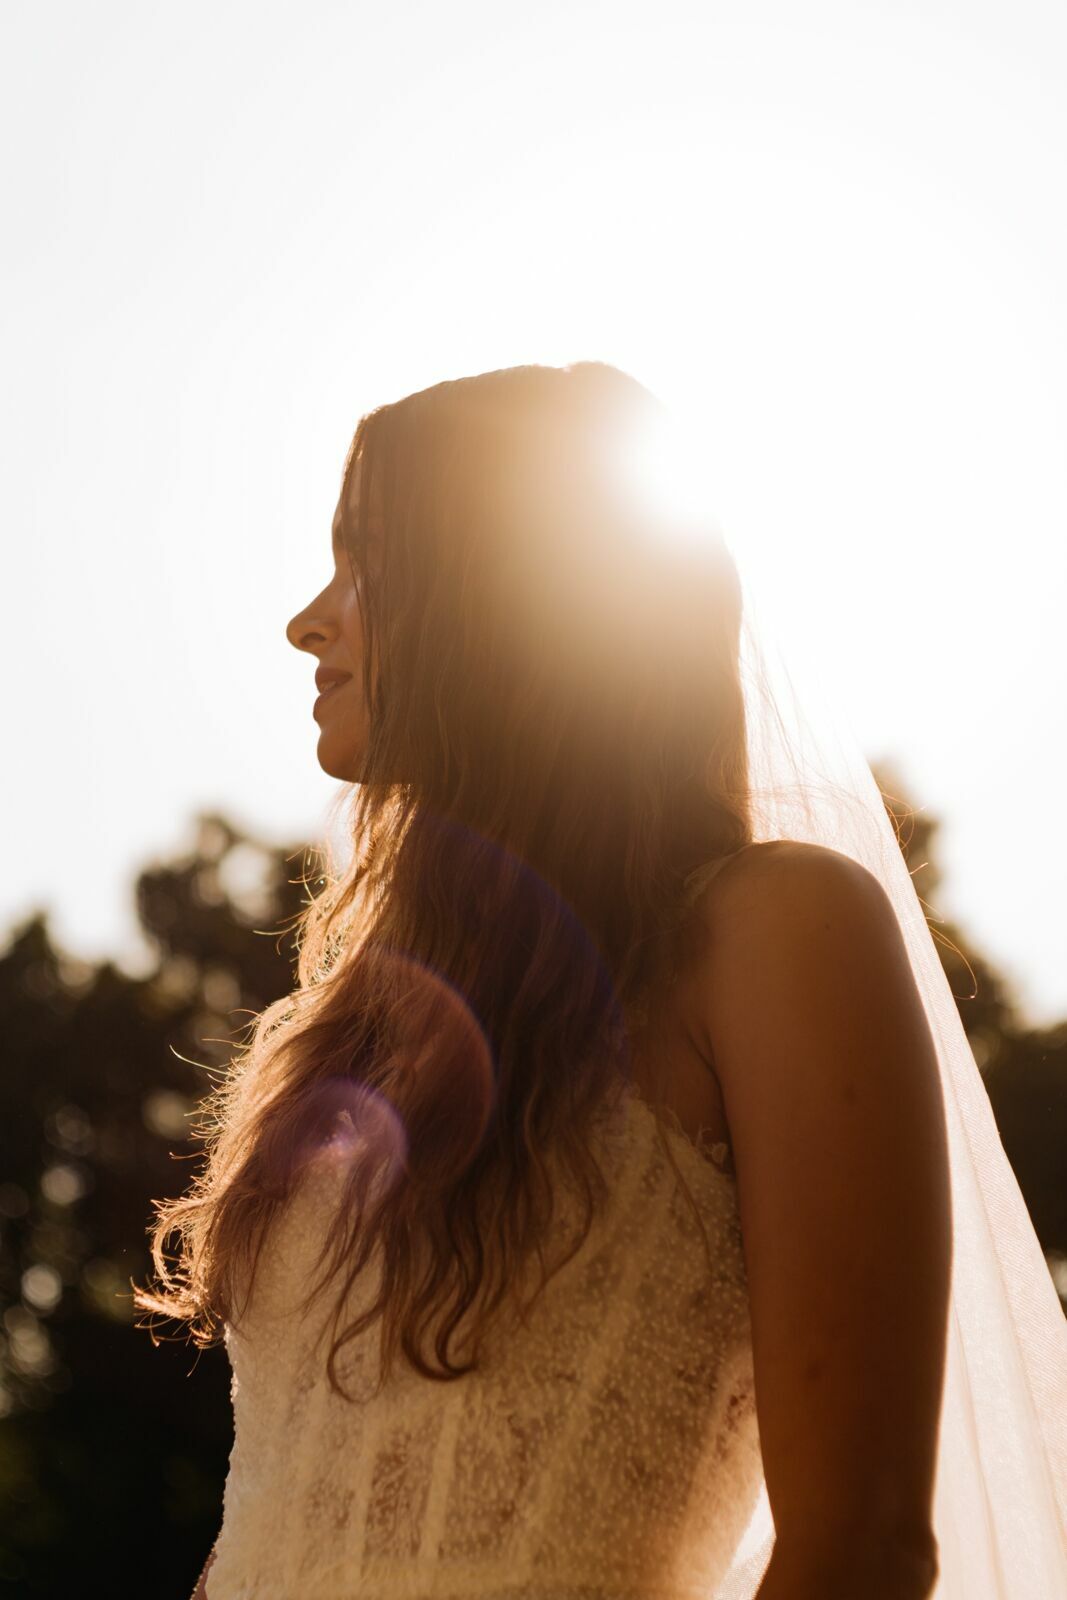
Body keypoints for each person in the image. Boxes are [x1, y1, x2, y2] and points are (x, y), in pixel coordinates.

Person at [137, 362, 1067, 1600]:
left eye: (365, 560)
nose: (309, 619)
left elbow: (862, 1544)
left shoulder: (772, 931)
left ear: (507, 595)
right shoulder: (343, 1030)